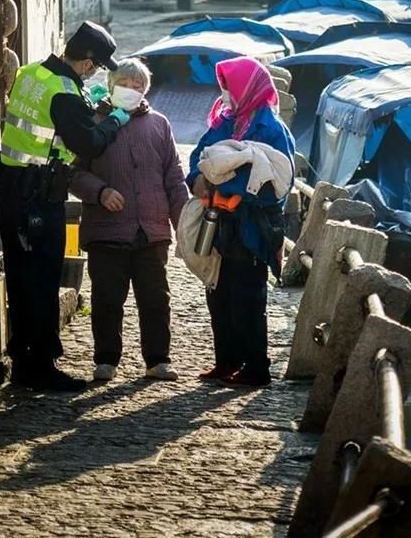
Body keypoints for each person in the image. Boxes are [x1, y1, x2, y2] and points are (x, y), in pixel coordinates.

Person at [0, 21, 129, 392]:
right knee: (42, 279)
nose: (95, 72)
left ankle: (22, 361)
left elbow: (51, 123)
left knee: (21, 279)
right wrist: (115, 118)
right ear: (85, 62)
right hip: (40, 197)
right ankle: (41, 365)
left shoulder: (31, 72)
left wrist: (89, 106)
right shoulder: (66, 93)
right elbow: (88, 143)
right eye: (97, 66)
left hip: (12, 192)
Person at [70, 58, 188, 384]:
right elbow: (73, 172)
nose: (132, 91)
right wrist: (100, 191)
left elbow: (174, 179)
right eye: (125, 84)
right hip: (106, 229)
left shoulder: (160, 125)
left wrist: (183, 225)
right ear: (111, 86)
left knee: (155, 298)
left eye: (138, 87)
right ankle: (106, 359)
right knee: (107, 298)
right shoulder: (92, 122)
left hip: (151, 230)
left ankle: (158, 359)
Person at [187, 58, 295, 388]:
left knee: (247, 298)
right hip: (219, 224)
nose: (225, 94)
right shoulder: (224, 122)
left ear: (246, 89)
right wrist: (197, 179)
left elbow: (279, 179)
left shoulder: (273, 130)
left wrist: (229, 184)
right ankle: (227, 362)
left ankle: (255, 368)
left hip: (251, 229)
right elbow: (198, 157)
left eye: (229, 87)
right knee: (218, 295)